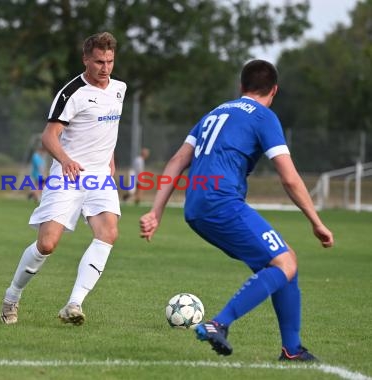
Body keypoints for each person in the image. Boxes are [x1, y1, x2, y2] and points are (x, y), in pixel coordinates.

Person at [139, 60, 333, 360]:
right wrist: (316, 221)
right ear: (275, 90)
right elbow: (289, 177)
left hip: (196, 207)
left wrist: (156, 211)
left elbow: (177, 160)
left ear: (241, 87)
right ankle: (219, 323)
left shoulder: (214, 113)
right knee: (284, 264)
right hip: (222, 202)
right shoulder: (263, 117)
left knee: (285, 264)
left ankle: (292, 350)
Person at [0, 32, 127, 326]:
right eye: (98, 61)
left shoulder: (120, 89)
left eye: (109, 61)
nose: (105, 67)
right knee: (46, 244)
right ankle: (12, 296)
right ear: (86, 59)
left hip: (100, 177)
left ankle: (74, 303)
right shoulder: (72, 93)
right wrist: (67, 159)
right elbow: (49, 136)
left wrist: (111, 164)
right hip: (68, 175)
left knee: (108, 232)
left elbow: (106, 134)